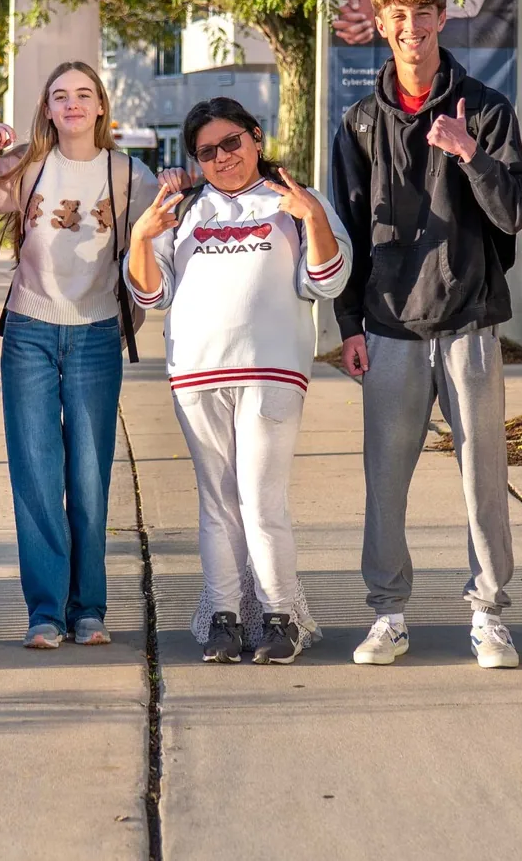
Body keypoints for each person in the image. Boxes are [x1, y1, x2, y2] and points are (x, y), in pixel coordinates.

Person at [330, 0, 522, 670]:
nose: (409, 31)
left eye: (421, 17)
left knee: (483, 475)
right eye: (396, 19)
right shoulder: (359, 121)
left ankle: (487, 615)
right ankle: (388, 614)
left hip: (468, 319)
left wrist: (468, 152)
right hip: (387, 325)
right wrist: (347, 324)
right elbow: (346, 233)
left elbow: (513, 214)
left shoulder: (485, 109)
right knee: (384, 480)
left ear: (441, 20)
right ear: (381, 26)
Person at [126, 97, 350, 665]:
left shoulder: (296, 202)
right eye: (208, 151)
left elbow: (328, 279)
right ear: (196, 159)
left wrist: (314, 219)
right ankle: (223, 617)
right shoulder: (184, 211)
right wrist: (139, 238)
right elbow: (152, 294)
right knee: (218, 502)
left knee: (260, 497)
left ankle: (280, 615)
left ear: (255, 137)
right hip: (195, 374)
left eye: (233, 143)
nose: (223, 157)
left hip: (271, 372)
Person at [0, 62, 177, 649]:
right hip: (29, 330)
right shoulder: (26, 166)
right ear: (46, 107)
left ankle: (88, 607)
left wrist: (174, 183)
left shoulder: (128, 173)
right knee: (36, 474)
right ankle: (45, 611)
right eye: (60, 95)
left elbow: (163, 238)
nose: (71, 104)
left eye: (83, 95)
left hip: (96, 335)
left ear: (100, 107)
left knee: (89, 476)